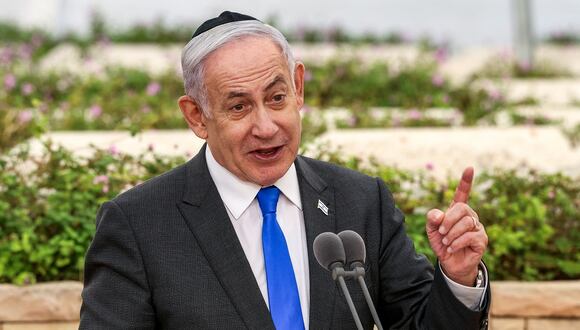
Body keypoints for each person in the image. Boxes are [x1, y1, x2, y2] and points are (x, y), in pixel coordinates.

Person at [80, 11, 490, 329]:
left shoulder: (362, 202)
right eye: (238, 106)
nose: (265, 126)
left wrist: (457, 277)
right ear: (197, 117)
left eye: (276, 98)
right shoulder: (138, 224)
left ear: (299, 87)